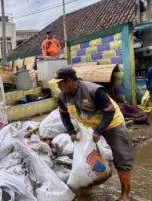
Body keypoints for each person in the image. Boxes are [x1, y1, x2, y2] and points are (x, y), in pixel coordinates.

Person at [56, 67, 133, 201]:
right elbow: (64, 115)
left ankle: (126, 193)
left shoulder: (95, 91)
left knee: (122, 157)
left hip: (111, 123)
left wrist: (98, 130)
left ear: (68, 81)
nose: (57, 85)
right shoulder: (63, 96)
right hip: (89, 125)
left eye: (59, 82)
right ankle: (91, 181)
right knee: (88, 154)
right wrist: (71, 131)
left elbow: (109, 112)